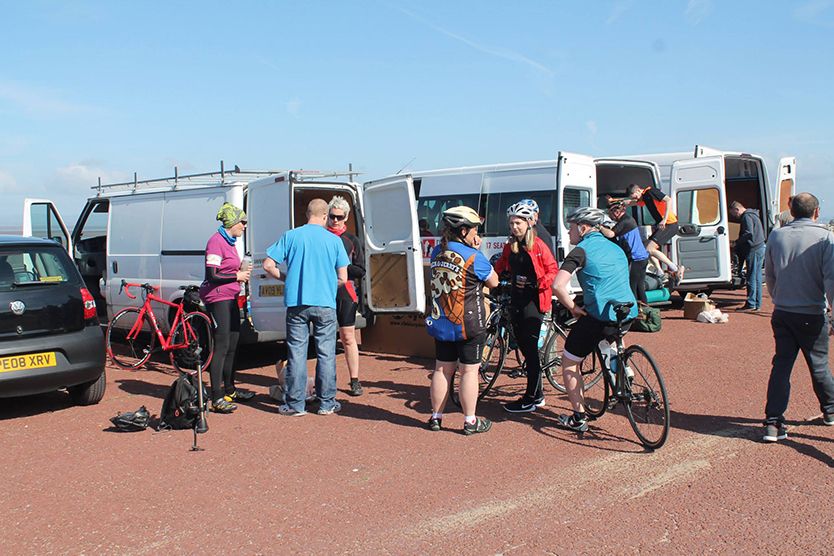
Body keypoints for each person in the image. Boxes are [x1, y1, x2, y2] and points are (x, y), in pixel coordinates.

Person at [552, 207, 637, 433]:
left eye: (571, 227)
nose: (569, 232)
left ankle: (579, 418)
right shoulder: (616, 247)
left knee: (570, 361)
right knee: (610, 338)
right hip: (627, 311)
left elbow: (558, 286)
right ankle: (622, 371)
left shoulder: (581, 251)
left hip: (599, 315)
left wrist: (573, 308)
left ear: (583, 228)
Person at [263, 199, 349, 416]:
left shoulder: (291, 236)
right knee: (326, 354)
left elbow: (267, 265)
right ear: (325, 215)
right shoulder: (333, 240)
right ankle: (327, 402)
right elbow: (343, 278)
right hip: (325, 303)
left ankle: (295, 405)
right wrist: (327, 283)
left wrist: (287, 278)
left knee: (297, 353)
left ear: (307, 214)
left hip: (296, 302)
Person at [762, 192, 834, 442]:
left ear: (791, 212)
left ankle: (773, 421)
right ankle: (830, 410)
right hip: (812, 311)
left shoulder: (777, 235)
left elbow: (768, 274)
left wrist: (778, 297)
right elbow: (830, 279)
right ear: (816, 212)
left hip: (782, 311)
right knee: (819, 365)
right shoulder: (825, 237)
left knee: (781, 366)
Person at [425, 206, 498, 435]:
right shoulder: (474, 257)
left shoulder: (437, 252)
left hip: (442, 321)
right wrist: (476, 251)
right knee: (468, 372)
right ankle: (470, 421)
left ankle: (436, 417)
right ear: (464, 230)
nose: (477, 234)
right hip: (469, 322)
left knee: (442, 369)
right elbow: (493, 282)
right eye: (475, 229)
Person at [493, 201, 559, 412]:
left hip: (534, 302)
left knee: (530, 351)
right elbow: (501, 266)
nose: (514, 227)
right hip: (516, 300)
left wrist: (536, 283)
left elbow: (553, 270)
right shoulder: (510, 246)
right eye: (512, 223)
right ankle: (536, 394)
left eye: (518, 223)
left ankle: (532, 397)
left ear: (529, 223)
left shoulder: (538, 245)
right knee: (523, 347)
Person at [198, 203, 254, 414]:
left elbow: (226, 268)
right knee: (220, 346)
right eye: (243, 222)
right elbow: (211, 275)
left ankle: (230, 389)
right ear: (232, 222)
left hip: (231, 295)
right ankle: (216, 396)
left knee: (233, 343)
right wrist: (236, 275)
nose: (245, 226)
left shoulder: (230, 242)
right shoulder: (216, 242)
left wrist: (241, 270)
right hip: (218, 297)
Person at [327, 195, 366, 397]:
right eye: (332, 216)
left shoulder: (351, 240)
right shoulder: (321, 236)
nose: (335, 220)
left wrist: (341, 267)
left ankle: (354, 380)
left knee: (348, 337)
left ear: (346, 218)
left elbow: (361, 270)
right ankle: (325, 381)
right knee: (323, 338)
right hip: (323, 292)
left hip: (345, 293)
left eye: (339, 217)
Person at [620, 184, 685, 281]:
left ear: (638, 190)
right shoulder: (645, 197)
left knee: (649, 249)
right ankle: (660, 272)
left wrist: (664, 219)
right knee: (643, 248)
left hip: (669, 224)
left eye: (636, 196)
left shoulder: (651, 192)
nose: (637, 198)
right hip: (662, 225)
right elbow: (636, 202)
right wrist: (622, 203)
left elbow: (668, 200)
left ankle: (676, 268)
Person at [601, 201, 650, 304]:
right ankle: (645, 311)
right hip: (642, 258)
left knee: (631, 287)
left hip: (635, 259)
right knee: (639, 287)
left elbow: (610, 234)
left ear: (616, 212)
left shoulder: (625, 221)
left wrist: (599, 227)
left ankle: (635, 312)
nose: (610, 217)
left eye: (610, 214)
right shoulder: (628, 219)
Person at [729, 201, 766, 311]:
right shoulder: (753, 214)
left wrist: (736, 243)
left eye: (733, 214)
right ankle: (757, 303)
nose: (734, 216)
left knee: (751, 277)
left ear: (737, 209)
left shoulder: (746, 217)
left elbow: (748, 233)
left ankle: (751, 303)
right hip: (760, 247)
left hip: (753, 248)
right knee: (757, 276)